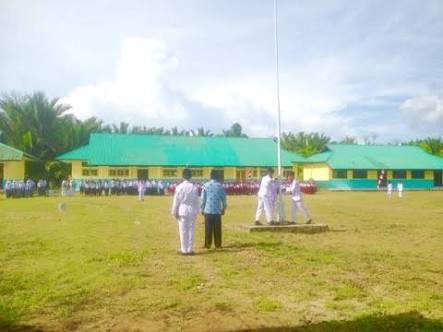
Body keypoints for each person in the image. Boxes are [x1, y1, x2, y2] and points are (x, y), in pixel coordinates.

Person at [171, 168, 199, 255]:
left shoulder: (179, 187)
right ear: (191, 176)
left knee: (182, 230)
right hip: (191, 209)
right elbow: (196, 201)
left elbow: (176, 201)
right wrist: (197, 210)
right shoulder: (194, 188)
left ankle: (184, 249)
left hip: (182, 210)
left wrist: (174, 211)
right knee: (191, 230)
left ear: (182, 176)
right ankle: (189, 249)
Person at [201, 170, 227, 249]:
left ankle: (208, 244)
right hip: (217, 210)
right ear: (217, 176)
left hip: (208, 210)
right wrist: (224, 208)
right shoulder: (220, 186)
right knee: (217, 228)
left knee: (208, 228)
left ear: (210, 176)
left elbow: (203, 198)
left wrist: (202, 208)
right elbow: (224, 199)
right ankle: (218, 244)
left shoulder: (205, 185)